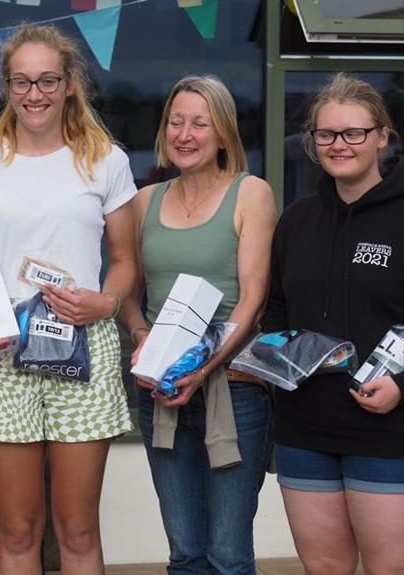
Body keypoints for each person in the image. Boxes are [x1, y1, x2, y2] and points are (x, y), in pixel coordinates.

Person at [0, 24, 136, 575]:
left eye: (48, 80)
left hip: (85, 348)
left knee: (78, 531)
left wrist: (106, 303)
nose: (35, 94)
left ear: (70, 82)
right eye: (22, 82)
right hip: (2, 352)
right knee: (18, 532)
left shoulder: (105, 160)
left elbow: (125, 260)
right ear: (5, 86)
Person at [119, 75, 277, 574]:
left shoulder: (251, 194)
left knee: (228, 555)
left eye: (200, 124)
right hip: (162, 392)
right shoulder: (145, 201)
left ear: (224, 133)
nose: (185, 134)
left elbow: (252, 299)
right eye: (176, 122)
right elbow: (129, 291)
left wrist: (201, 368)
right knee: (185, 551)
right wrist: (142, 337)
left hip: (234, 391)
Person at [263, 73, 404, 575]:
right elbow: (276, 309)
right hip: (304, 430)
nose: (338, 145)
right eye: (325, 135)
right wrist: (277, 363)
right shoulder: (297, 221)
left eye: (353, 133)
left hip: (387, 431)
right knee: (324, 567)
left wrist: (402, 385)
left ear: (382, 136)